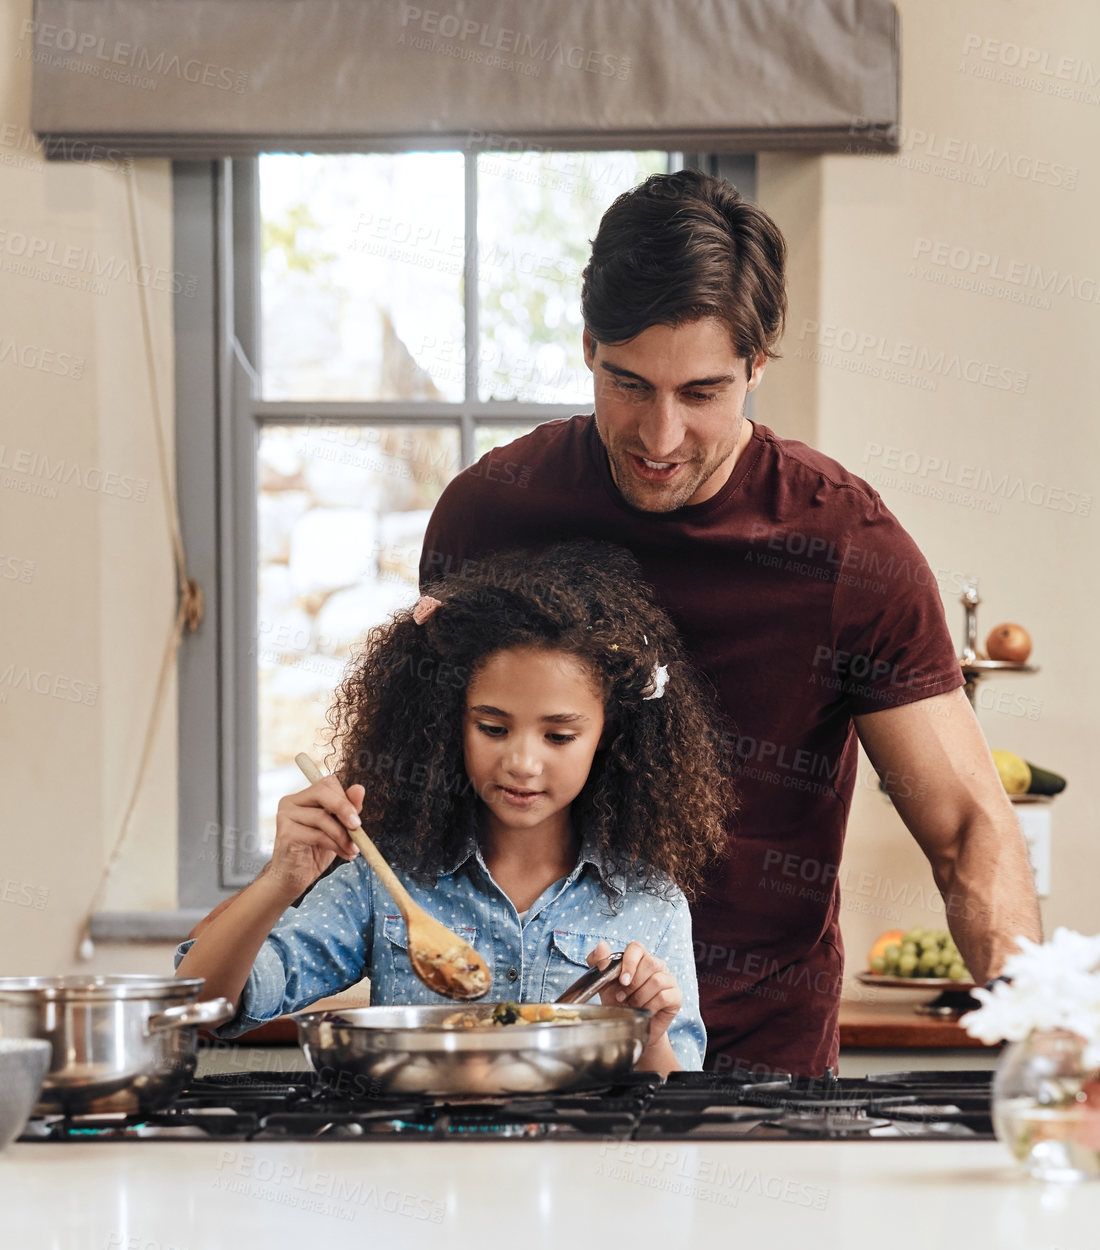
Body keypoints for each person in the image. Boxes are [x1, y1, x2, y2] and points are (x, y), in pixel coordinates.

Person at [419, 168, 1041, 1077]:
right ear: (588, 344)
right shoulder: (491, 513)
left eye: (702, 393)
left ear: (758, 363)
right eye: (627, 383)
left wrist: (1044, 1040)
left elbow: (966, 832)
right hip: (516, 1053)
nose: (660, 436)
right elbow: (427, 766)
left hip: (760, 1073)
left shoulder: (846, 549)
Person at [176, 541, 735, 1074]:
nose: (521, 762)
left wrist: (649, 1033)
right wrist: (281, 878)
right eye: (492, 727)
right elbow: (204, 1006)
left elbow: (670, 1098)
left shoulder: (650, 902)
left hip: (576, 1170)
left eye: (559, 736)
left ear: (608, 737)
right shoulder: (386, 880)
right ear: (450, 724)